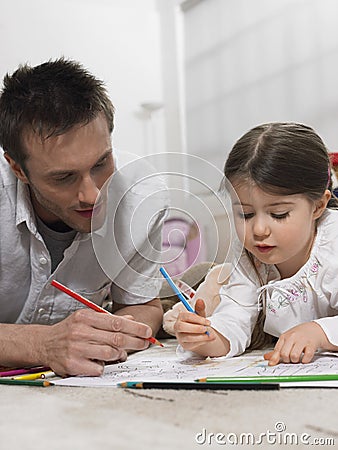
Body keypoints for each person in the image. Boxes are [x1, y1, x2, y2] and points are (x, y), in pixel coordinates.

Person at [0, 58, 167, 376]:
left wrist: (117, 335)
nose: (92, 195)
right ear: (17, 168)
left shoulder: (143, 199)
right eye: (63, 178)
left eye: (101, 163)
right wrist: (43, 345)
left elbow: (142, 305)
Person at [174, 122, 338, 365]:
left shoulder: (332, 245)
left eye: (279, 214)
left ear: (318, 206)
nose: (259, 230)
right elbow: (236, 314)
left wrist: (319, 332)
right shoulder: (249, 257)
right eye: (245, 215)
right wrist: (208, 337)